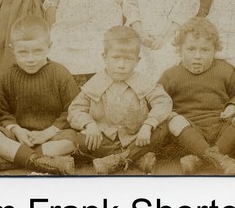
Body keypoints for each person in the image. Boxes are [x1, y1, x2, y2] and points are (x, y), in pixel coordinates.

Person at [0, 16, 78, 175]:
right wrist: (17, 130)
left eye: (38, 51)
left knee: (71, 141)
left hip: (51, 137)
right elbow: (2, 112)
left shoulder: (60, 74)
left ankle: (8, 161)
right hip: (18, 137)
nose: (30, 59)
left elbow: (73, 110)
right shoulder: (8, 77)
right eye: (23, 53)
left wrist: (47, 133)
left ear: (49, 46)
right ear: (13, 50)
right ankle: (39, 160)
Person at [68, 26, 172, 175]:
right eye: (116, 58)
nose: (121, 65)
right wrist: (89, 124)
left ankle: (118, 159)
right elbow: (75, 109)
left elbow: (163, 102)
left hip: (137, 137)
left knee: (163, 126)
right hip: (105, 139)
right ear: (105, 57)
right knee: (81, 139)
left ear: (137, 60)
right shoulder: (96, 82)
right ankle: (135, 158)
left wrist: (148, 125)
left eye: (128, 59)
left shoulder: (142, 81)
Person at [158, 18, 235, 175]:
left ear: (215, 51)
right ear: (180, 50)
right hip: (190, 132)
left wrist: (233, 105)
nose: (197, 56)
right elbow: (158, 101)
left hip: (221, 128)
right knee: (174, 121)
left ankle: (201, 158)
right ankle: (217, 158)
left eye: (205, 50)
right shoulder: (171, 75)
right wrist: (170, 113)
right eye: (191, 49)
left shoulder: (224, 70)